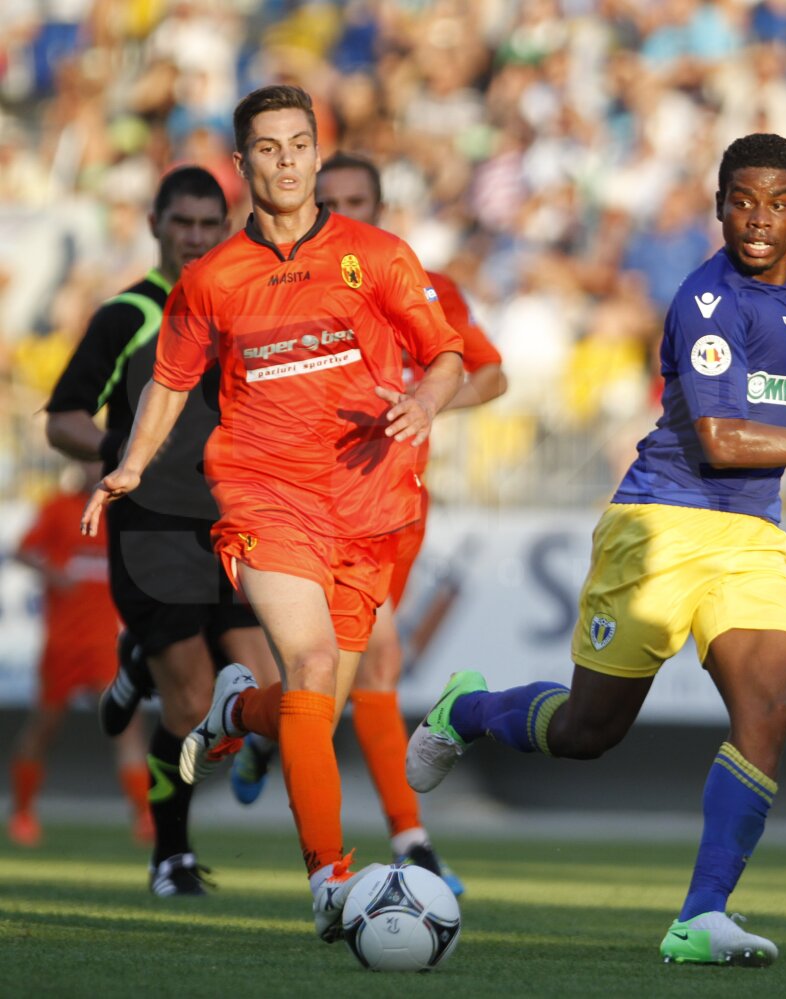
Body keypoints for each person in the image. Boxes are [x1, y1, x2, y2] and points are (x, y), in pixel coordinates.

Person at [405, 133, 786, 967]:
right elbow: (720, 436)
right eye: (742, 201)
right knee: (587, 732)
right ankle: (466, 708)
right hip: (661, 526)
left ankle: (701, 915)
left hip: (753, 537)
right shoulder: (705, 299)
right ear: (719, 204)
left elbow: (770, 382)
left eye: (777, 203)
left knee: (769, 712)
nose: (758, 220)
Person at [82, 84, 465, 943]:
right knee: (315, 658)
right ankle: (330, 876)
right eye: (268, 147)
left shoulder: (379, 254)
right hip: (263, 490)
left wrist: (429, 401)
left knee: (309, 704)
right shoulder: (213, 278)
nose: (286, 161)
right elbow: (171, 382)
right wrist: (131, 465)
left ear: (317, 155)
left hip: (367, 497)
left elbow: (444, 357)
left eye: (299, 145)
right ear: (242, 161)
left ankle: (231, 712)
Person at [227, 151, 506, 897]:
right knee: (367, 663)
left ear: (380, 208)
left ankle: (247, 715)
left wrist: (423, 400)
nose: (346, 207)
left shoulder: (421, 286)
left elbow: (490, 372)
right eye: (335, 196)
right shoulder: (287, 284)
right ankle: (405, 844)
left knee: (335, 686)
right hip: (306, 505)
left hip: (394, 510)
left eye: (360, 197)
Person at [47, 165, 277, 895]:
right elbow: (62, 420)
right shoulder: (128, 316)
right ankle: (169, 855)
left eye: (211, 224)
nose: (197, 237)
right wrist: (125, 452)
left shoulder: (243, 312)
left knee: (271, 698)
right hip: (153, 528)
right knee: (193, 702)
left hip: (234, 524)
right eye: (184, 223)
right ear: (155, 225)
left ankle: (137, 660)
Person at [7, 463, 152, 848]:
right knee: (45, 726)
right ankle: (22, 813)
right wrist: (53, 573)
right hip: (64, 644)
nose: (94, 468)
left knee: (126, 726)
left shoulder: (120, 515)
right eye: (89, 460)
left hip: (105, 645)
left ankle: (144, 817)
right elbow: (23, 551)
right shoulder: (60, 507)